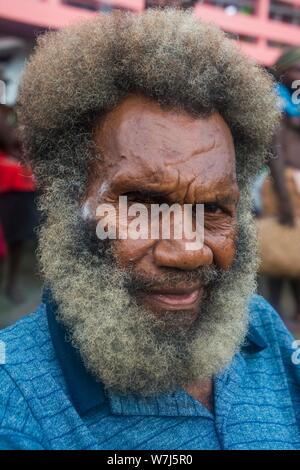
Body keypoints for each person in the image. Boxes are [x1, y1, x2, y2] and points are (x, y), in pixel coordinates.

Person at [0, 10, 299, 450]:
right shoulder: (16, 402)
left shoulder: (260, 328)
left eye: (214, 207)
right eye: (141, 204)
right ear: (68, 199)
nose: (189, 250)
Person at [258, 48, 300, 323]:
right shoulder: (273, 106)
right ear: (283, 71)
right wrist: (284, 199)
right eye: (296, 71)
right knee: (275, 256)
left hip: (295, 191)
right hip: (279, 191)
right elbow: (274, 155)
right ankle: (274, 319)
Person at [0, 105, 37, 304]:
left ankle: (11, 284)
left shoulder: (20, 149)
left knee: (17, 242)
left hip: (21, 200)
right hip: (9, 198)